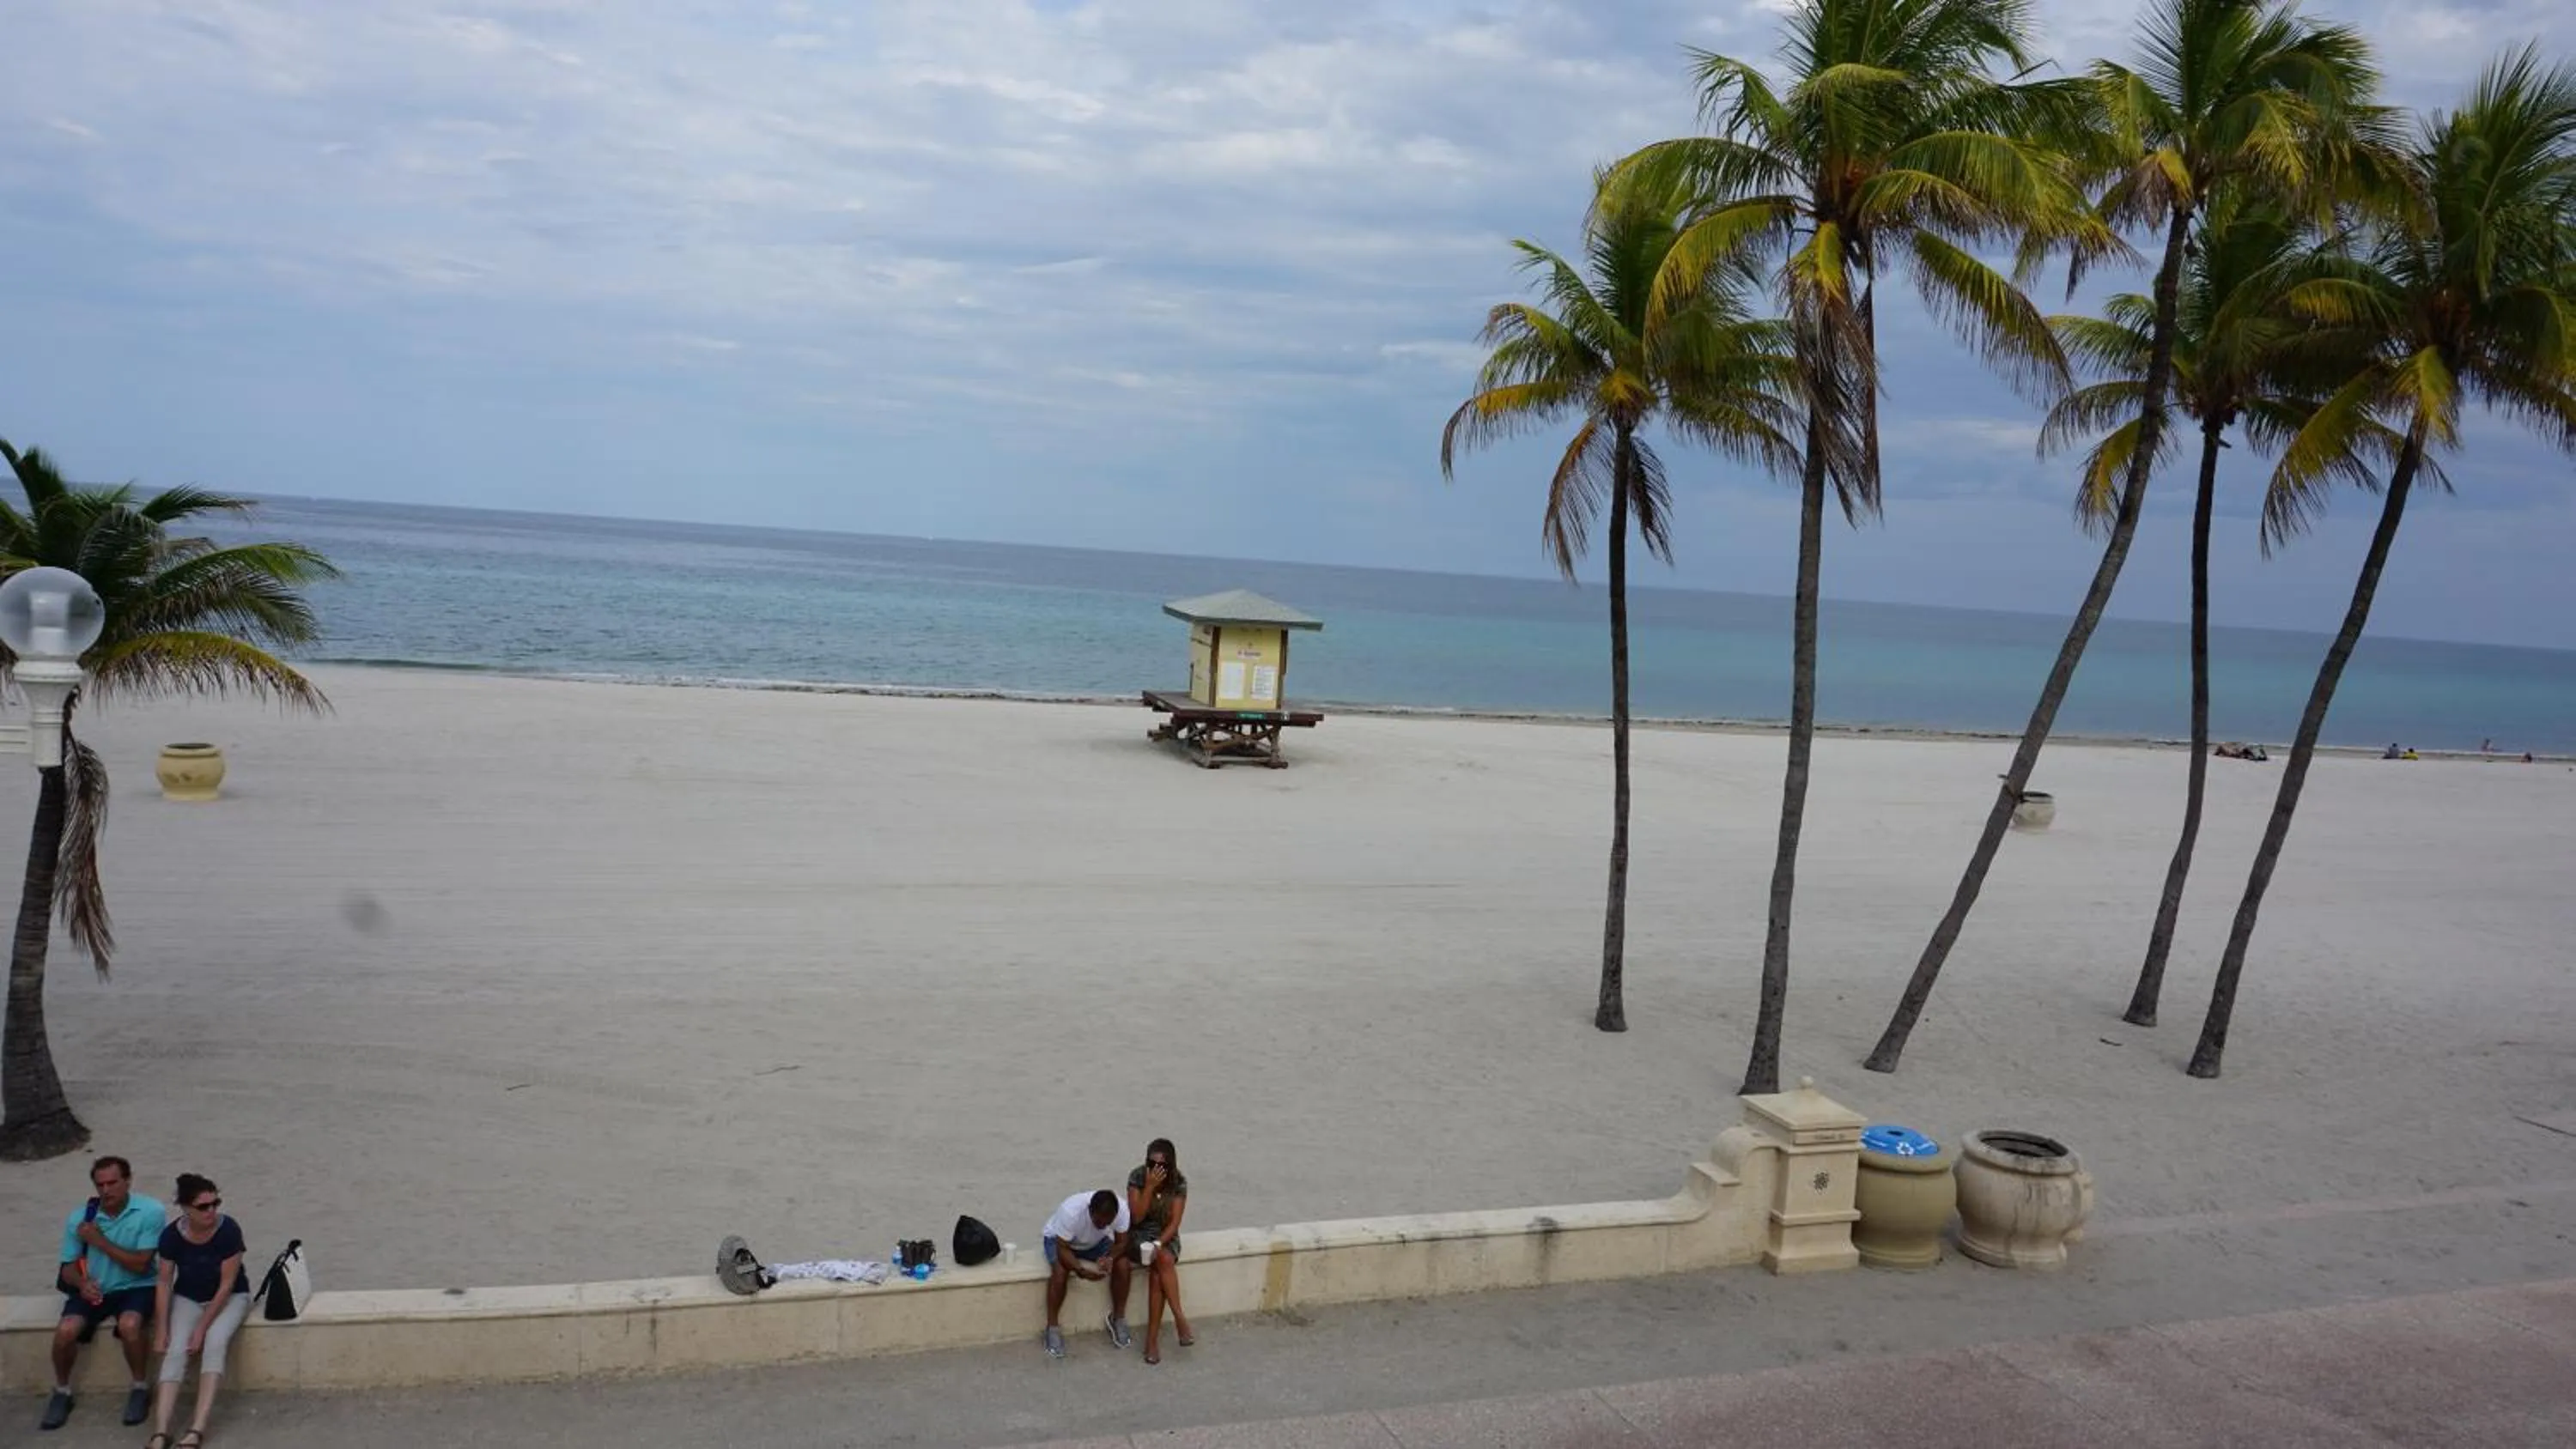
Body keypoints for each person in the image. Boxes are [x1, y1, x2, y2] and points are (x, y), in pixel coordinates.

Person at [40, 1155, 166, 1433]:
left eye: (113, 1183)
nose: (106, 1190)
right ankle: (62, 1390)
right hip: (96, 1288)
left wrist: (99, 1241)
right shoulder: (80, 1218)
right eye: (101, 1185)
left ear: (128, 1181)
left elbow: (141, 1264)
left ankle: (139, 1386)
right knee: (66, 1331)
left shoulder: (150, 1211)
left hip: (137, 1286)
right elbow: (67, 1268)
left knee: (130, 1324)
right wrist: (81, 1283)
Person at [145, 1173, 248, 1449]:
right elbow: (164, 1282)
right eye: (203, 1206)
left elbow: (227, 1285)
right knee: (175, 1349)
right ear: (185, 1208)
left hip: (230, 1298)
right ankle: (161, 1431)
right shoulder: (171, 1236)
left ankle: (197, 1427)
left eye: (215, 1203)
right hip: (189, 1297)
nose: (211, 1211)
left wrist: (201, 1328)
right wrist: (162, 1329)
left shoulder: (228, 1231)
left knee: (215, 1342)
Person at [1109, 1137, 1196, 1365]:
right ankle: (1180, 1320)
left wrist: (1158, 1243)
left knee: (1160, 1269)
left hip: (1165, 1237)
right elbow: (1136, 1217)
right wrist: (1149, 1187)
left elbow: (1174, 1223)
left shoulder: (1179, 1183)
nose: (1156, 1169)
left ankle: (1152, 1341)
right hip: (1138, 1236)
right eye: (1152, 1164)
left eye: (1161, 1165)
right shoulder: (1138, 1177)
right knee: (1163, 1261)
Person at [1037, 1187, 1127, 1359]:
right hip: (1060, 1241)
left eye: (1108, 1223)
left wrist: (1109, 1258)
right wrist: (1080, 1270)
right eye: (1099, 1222)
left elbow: (1122, 1243)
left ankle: (1118, 1319)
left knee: (1122, 1264)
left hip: (1094, 1243)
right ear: (1090, 1211)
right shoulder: (1071, 1211)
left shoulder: (1122, 1210)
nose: (1103, 1226)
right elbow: (1062, 1248)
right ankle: (1052, 1327)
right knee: (1060, 1271)